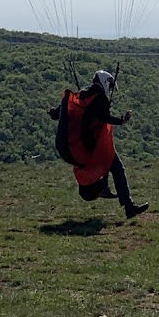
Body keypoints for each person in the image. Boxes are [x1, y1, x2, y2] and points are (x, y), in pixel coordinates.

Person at [49, 69, 149, 219]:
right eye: (109, 87)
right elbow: (103, 117)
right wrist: (121, 120)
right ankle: (127, 206)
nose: (108, 91)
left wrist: (53, 113)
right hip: (87, 146)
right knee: (117, 167)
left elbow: (65, 108)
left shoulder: (83, 94)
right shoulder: (99, 98)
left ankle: (106, 190)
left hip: (72, 146)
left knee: (110, 164)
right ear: (104, 82)